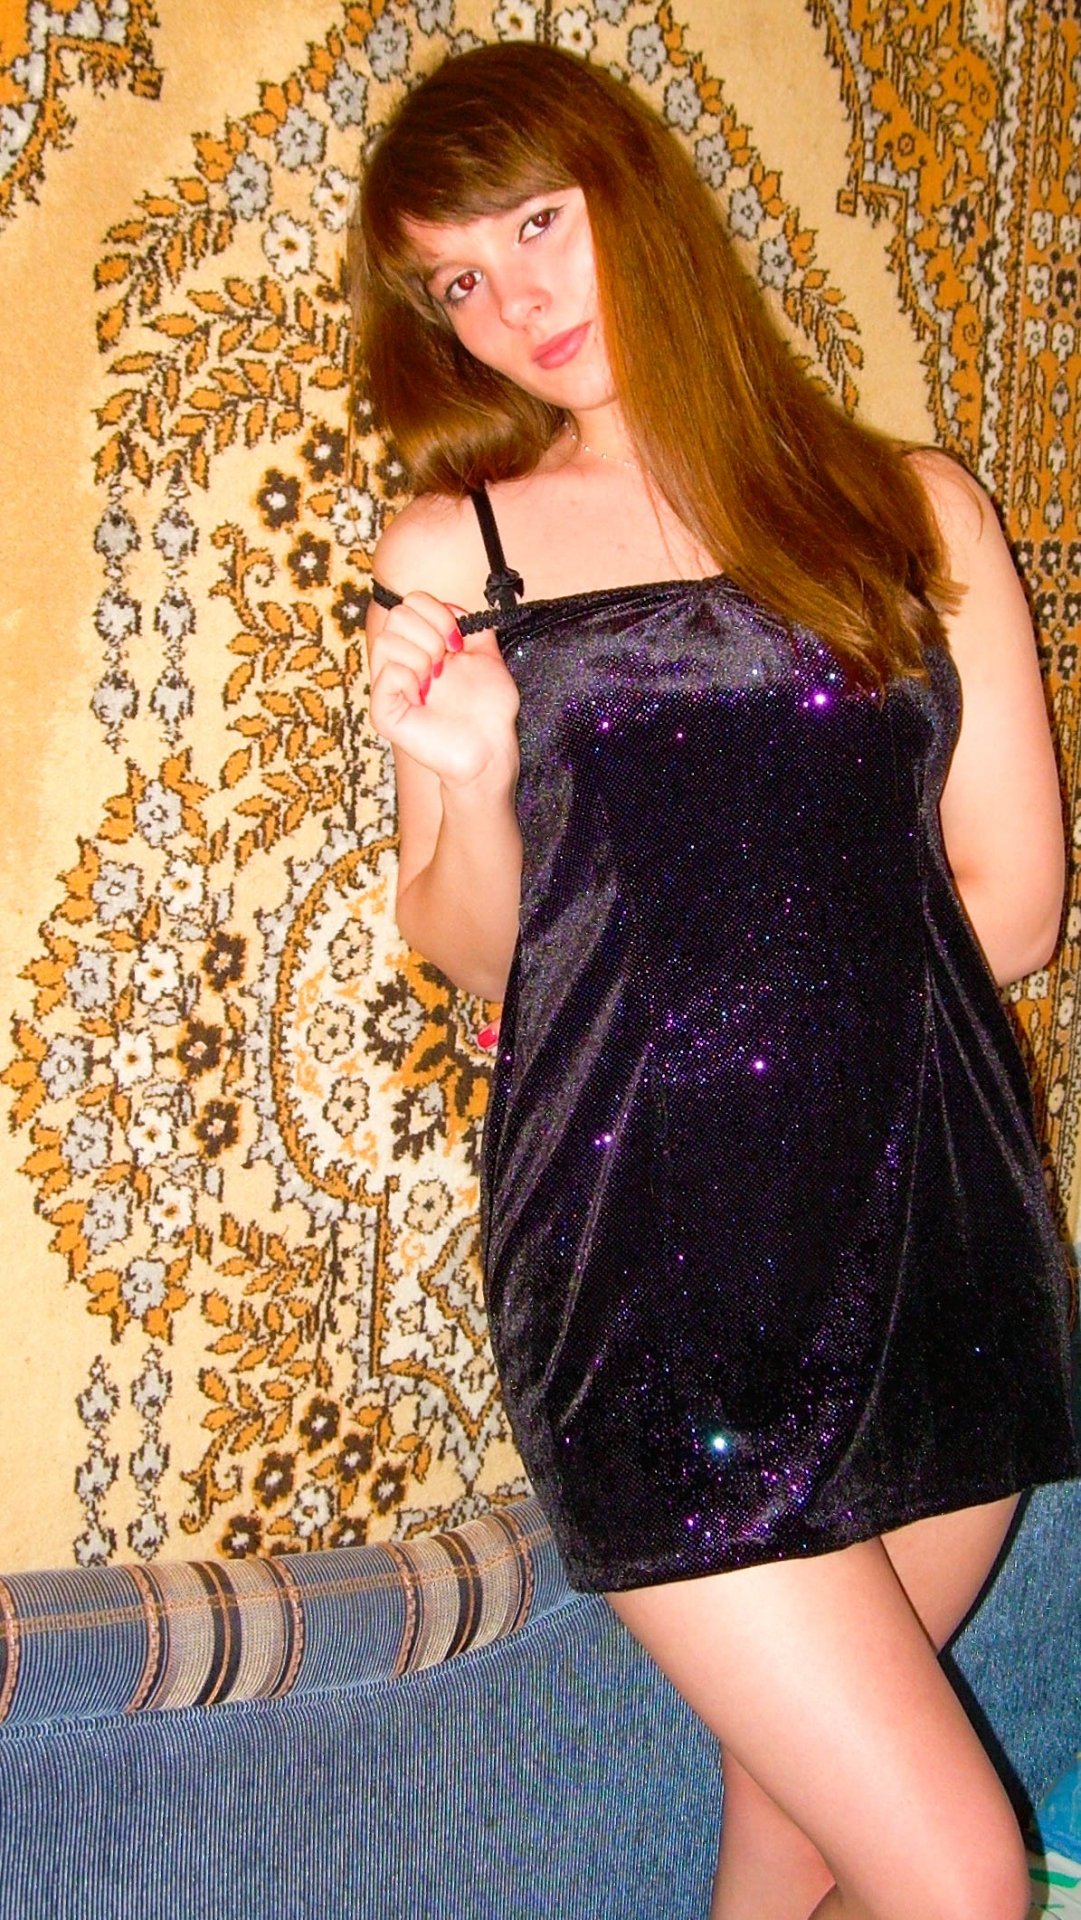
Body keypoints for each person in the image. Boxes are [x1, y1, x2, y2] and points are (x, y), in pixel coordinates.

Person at [351, 41, 1078, 1920]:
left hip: (937, 1245)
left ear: (636, 192)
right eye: (456, 280)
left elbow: (1014, 908)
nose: (512, 304)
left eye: (536, 226)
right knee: (960, 1875)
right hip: (646, 1270)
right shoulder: (453, 549)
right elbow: (474, 947)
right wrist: (473, 780)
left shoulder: (912, 507)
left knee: (798, 1834)